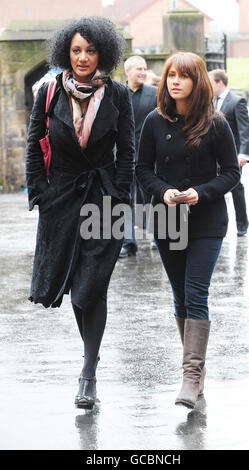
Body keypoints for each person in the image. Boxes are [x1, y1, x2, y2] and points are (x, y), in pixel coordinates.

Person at [26, 16, 135, 409]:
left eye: (90, 50)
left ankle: (88, 371)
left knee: (94, 282)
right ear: (65, 54)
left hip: (103, 199)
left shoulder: (118, 95)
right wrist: (38, 191)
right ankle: (91, 357)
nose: (83, 57)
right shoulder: (49, 91)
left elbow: (128, 149)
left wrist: (120, 194)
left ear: (102, 52)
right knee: (75, 287)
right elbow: (34, 138)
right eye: (76, 50)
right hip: (61, 200)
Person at [136, 52, 240, 409]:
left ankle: (190, 377)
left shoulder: (216, 123)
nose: (175, 81)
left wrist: (202, 192)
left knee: (196, 293)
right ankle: (197, 372)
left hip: (207, 221)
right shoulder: (153, 120)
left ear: (198, 81)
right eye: (170, 76)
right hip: (167, 219)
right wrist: (161, 191)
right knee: (179, 295)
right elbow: (142, 169)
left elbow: (231, 172)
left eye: (184, 76)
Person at [119, 56, 157, 257]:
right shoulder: (116, 93)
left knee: (152, 198)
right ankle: (128, 243)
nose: (143, 72)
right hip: (122, 158)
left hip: (148, 158)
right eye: (138, 69)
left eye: (145, 69)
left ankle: (158, 238)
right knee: (124, 200)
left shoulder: (155, 94)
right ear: (128, 71)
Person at [209, 69, 249, 236]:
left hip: (233, 156)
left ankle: (242, 224)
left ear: (219, 82)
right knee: (213, 188)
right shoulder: (209, 101)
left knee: (236, 188)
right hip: (213, 155)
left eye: (210, 82)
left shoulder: (236, 101)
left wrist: (243, 154)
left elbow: (244, 130)